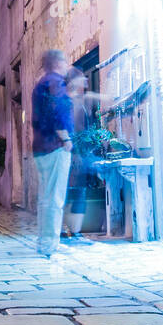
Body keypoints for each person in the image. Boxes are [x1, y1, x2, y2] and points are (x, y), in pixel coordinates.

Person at [30, 49, 73, 256]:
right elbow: (57, 112)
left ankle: (44, 241)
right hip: (55, 145)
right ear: (57, 63)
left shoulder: (39, 84)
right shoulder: (56, 83)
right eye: (65, 61)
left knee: (45, 198)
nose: (67, 65)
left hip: (39, 147)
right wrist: (66, 138)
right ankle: (50, 243)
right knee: (55, 198)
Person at [62, 67, 96, 243]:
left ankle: (73, 231)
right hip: (73, 152)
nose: (86, 81)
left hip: (80, 152)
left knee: (77, 191)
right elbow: (72, 129)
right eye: (82, 78)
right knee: (72, 191)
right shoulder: (70, 103)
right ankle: (69, 231)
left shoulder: (80, 101)